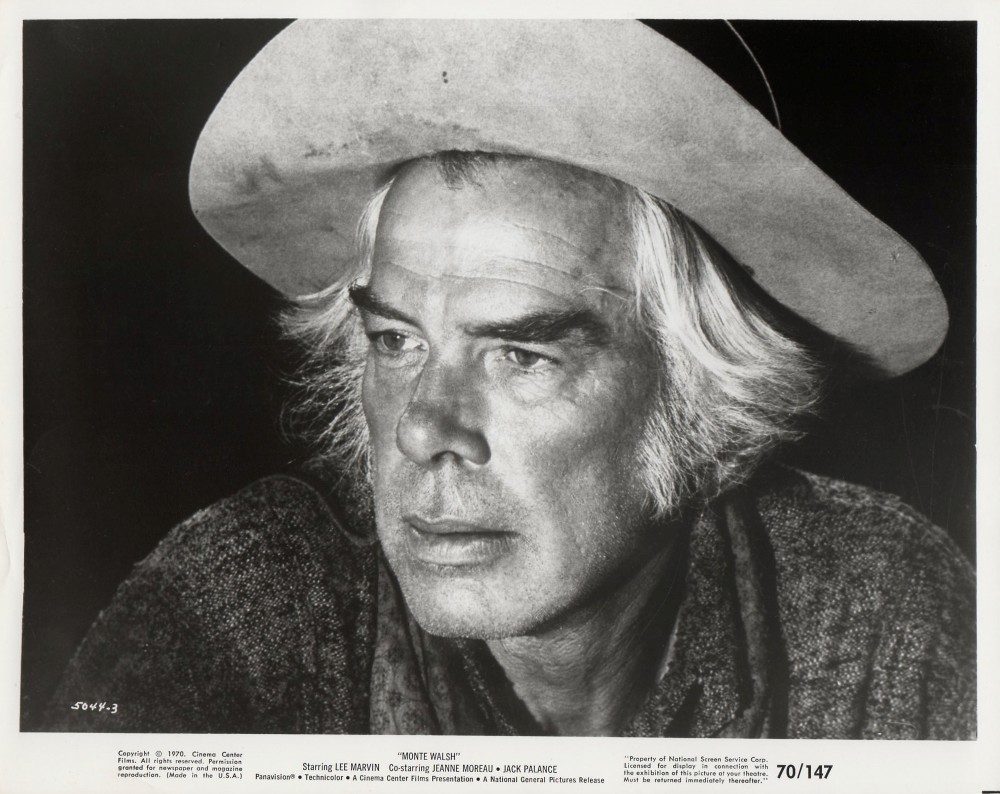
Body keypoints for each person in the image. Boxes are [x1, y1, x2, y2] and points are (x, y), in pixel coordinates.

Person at [44, 20, 974, 738]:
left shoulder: (879, 606)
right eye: (397, 341)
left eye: (520, 354)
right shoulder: (246, 606)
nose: (422, 429)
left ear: (703, 406)